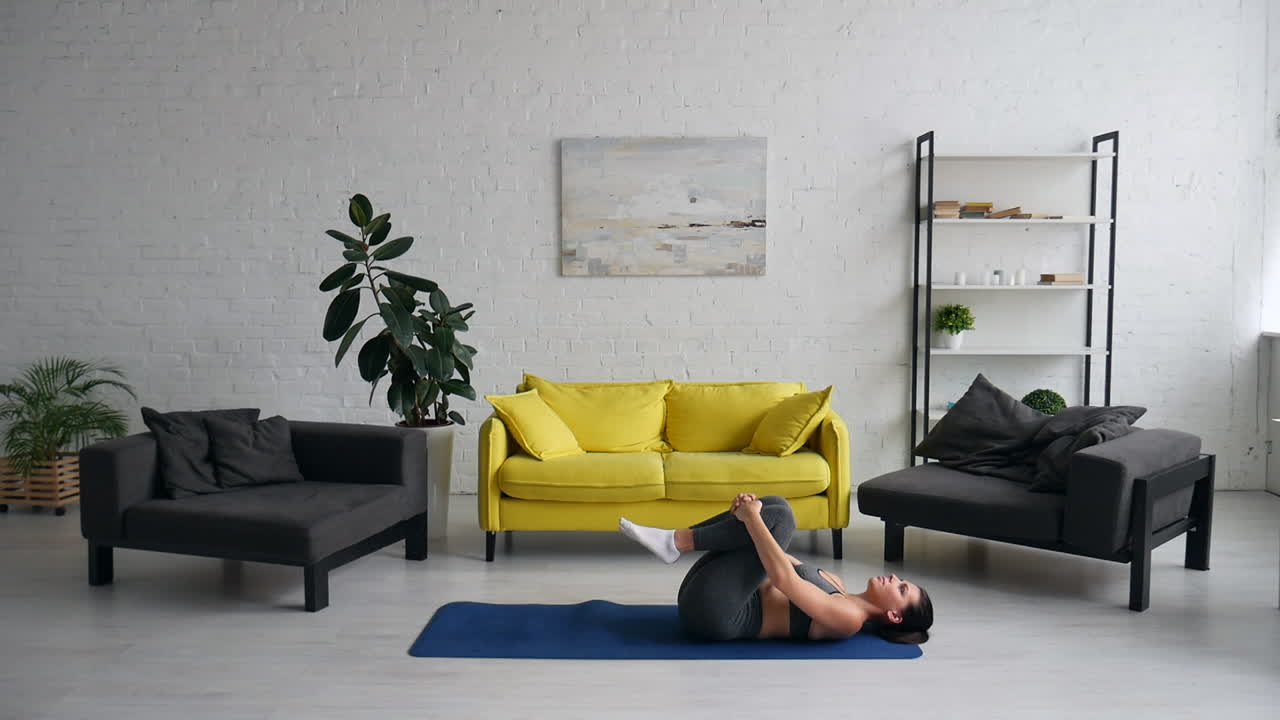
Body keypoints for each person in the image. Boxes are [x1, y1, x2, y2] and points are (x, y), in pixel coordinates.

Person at [619, 494, 933, 644]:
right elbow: (771, 551)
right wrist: (744, 517)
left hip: (718, 616)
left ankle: (675, 542)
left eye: (901, 588)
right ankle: (675, 541)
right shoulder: (835, 583)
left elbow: (782, 577)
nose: (894, 578)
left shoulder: (849, 619)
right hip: (715, 594)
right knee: (776, 507)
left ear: (894, 615)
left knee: (778, 519)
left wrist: (752, 519)